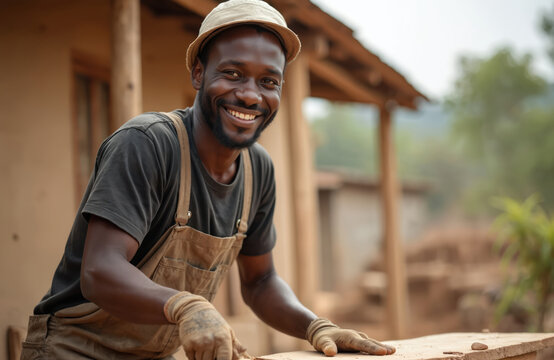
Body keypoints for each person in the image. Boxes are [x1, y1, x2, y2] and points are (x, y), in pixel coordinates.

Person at [21, 0, 396, 359]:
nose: (251, 95)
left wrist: (316, 327)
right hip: (73, 350)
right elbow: (99, 270)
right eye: (232, 73)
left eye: (269, 81)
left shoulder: (257, 171)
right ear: (199, 73)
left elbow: (260, 282)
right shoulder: (147, 144)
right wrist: (186, 306)